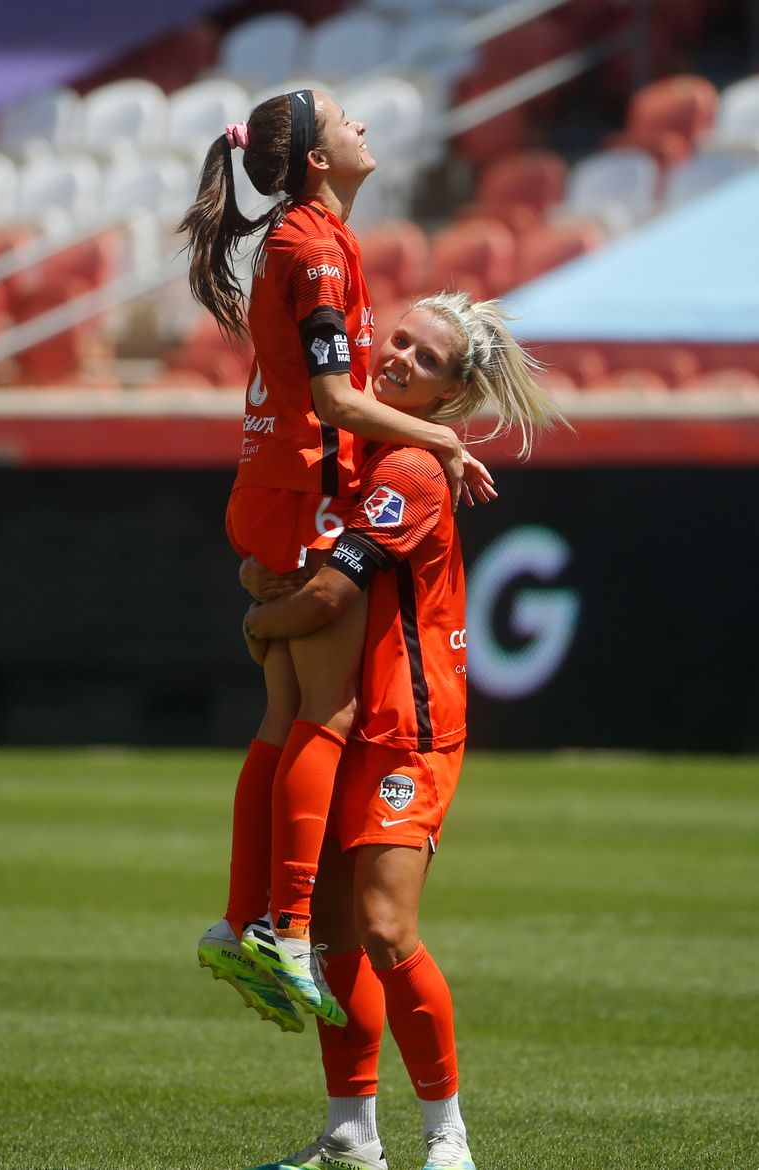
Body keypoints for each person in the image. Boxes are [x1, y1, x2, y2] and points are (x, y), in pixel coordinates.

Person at [178, 89, 491, 1031]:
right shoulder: (315, 250)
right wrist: (442, 443)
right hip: (301, 484)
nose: (363, 126)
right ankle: (282, 925)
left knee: (283, 712)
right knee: (331, 708)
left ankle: (244, 922)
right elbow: (335, 402)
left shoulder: (315, 240)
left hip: (273, 485)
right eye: (346, 118)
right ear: (317, 158)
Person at [238, 292, 566, 1170]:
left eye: (424, 360)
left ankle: (448, 1134)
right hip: (351, 721)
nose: (396, 360)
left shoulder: (414, 472)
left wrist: (261, 623)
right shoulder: (372, 445)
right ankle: (351, 1136)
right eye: (400, 340)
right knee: (342, 936)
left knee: (386, 928)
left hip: (408, 732)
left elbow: (336, 594)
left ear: (453, 394)